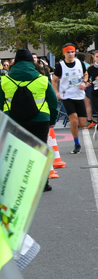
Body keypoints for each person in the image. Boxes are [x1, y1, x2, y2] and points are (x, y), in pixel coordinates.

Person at [2, 49, 58, 191]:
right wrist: (52, 120)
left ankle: (19, 184)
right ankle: (42, 184)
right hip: (40, 120)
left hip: (14, 121)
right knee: (40, 151)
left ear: (15, 62)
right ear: (32, 62)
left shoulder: (5, 81)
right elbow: (53, 103)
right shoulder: (42, 79)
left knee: (17, 152)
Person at [52, 44, 89, 154]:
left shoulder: (79, 63)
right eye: (68, 52)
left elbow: (86, 74)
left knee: (82, 123)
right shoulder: (60, 66)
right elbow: (54, 81)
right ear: (64, 53)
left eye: (72, 52)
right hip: (67, 96)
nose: (70, 54)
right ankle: (77, 143)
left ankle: (81, 133)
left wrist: (84, 82)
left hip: (79, 95)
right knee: (74, 121)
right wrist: (56, 92)